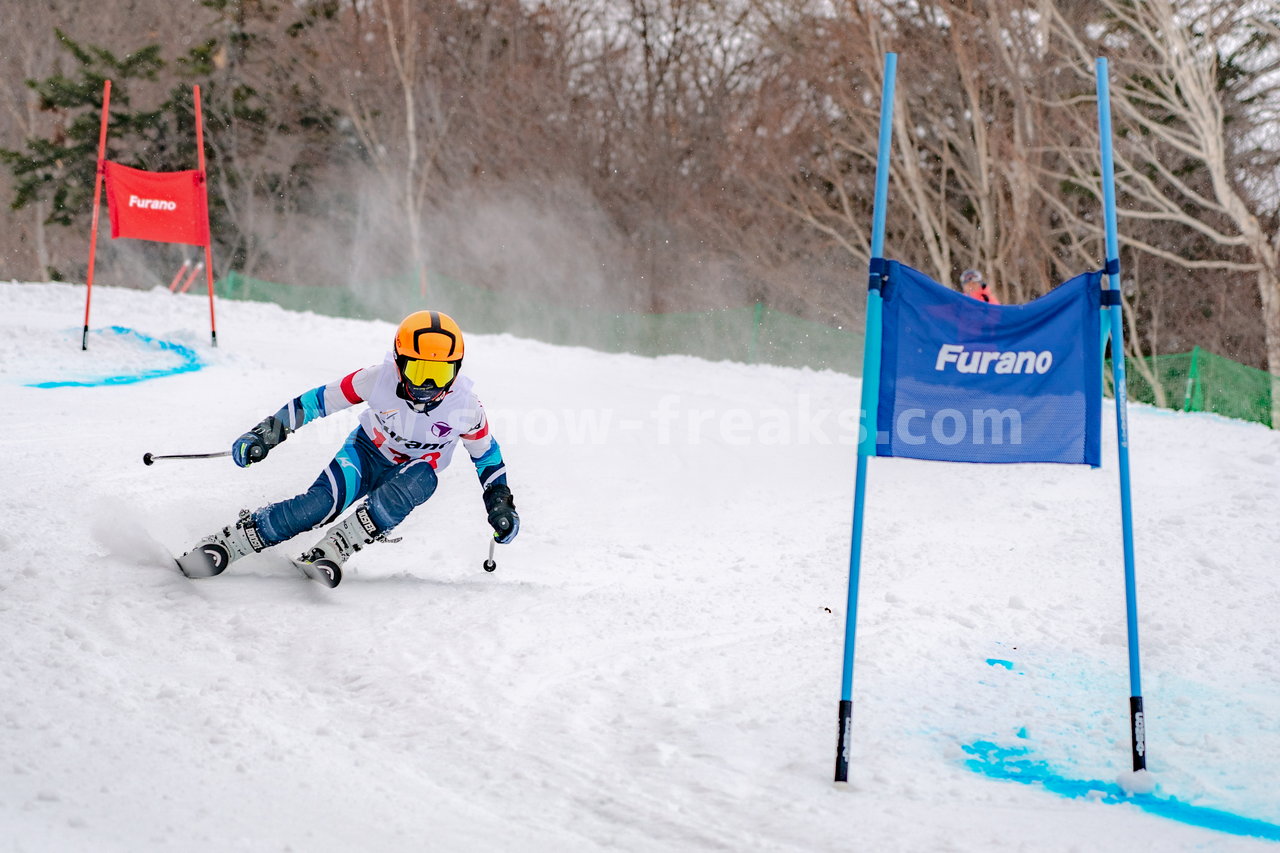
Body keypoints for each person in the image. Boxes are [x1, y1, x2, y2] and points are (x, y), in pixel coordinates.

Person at [176, 310, 519, 587]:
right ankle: (233, 541)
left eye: (440, 372)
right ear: (399, 363)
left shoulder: (465, 406)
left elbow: (486, 456)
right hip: (365, 454)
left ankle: (337, 546)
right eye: (418, 369)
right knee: (318, 506)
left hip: (411, 472)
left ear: (456, 371)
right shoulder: (376, 378)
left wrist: (500, 503)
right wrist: (267, 433)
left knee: (422, 478)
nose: (427, 384)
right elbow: (316, 402)